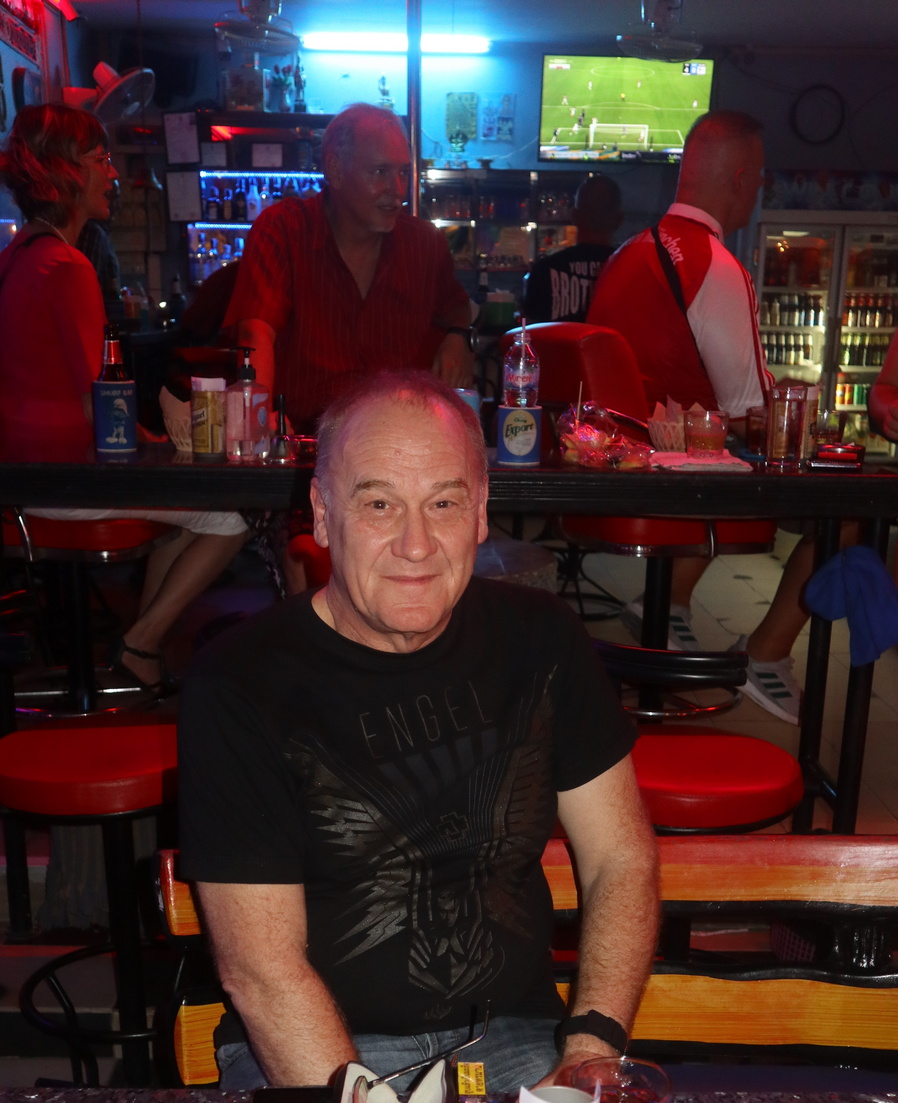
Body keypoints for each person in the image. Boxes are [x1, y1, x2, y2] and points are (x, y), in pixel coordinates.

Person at [178, 371, 659, 1093]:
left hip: (514, 1037)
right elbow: (261, 971)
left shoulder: (542, 640)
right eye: (379, 504)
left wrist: (589, 1053)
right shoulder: (239, 683)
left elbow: (619, 858)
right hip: (316, 1050)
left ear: (480, 513)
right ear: (323, 514)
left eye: (443, 503)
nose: (416, 543)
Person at [0, 104, 250, 693]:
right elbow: (104, 405)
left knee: (184, 509)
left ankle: (145, 648)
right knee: (232, 514)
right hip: (64, 483)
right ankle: (140, 647)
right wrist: (161, 448)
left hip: (20, 480)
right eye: (102, 159)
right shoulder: (67, 266)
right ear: (66, 171)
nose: (113, 173)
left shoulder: (14, 259)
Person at [588, 110, 812, 724]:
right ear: (739, 179)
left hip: (611, 476)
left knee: (717, 444)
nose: (758, 189)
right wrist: (801, 413)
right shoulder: (715, 265)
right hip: (676, 490)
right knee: (846, 517)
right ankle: (767, 654)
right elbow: (752, 411)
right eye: (759, 178)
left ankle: (670, 605)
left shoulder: (628, 254)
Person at [225, 103, 474, 436]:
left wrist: (458, 337)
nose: (398, 190)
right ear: (335, 170)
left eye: (403, 172)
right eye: (380, 172)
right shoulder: (284, 230)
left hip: (400, 446)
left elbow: (457, 309)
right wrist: (257, 425)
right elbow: (256, 333)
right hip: (306, 442)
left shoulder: (425, 244)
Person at [523, 174, 621, 324]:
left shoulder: (543, 270)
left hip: (554, 341)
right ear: (619, 220)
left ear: (574, 215)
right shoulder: (633, 274)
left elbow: (528, 332)